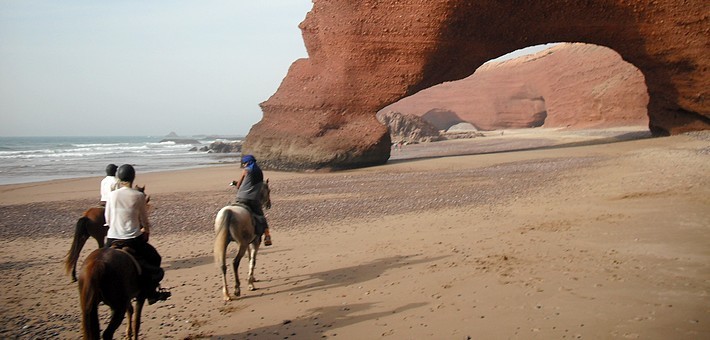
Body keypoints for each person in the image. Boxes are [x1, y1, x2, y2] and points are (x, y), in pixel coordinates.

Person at [104, 164, 171, 304]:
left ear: (119, 178)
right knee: (155, 259)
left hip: (112, 238)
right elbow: (144, 220)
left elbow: (108, 218)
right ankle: (152, 293)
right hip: (132, 239)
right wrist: (145, 231)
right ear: (133, 178)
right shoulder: (139, 196)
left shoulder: (112, 195)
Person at [234, 154, 272, 246]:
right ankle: (267, 236)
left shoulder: (245, 171)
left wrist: (236, 184)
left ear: (247, 163)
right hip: (253, 199)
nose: (243, 165)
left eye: (244, 163)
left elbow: (239, 186)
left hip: (240, 198)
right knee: (261, 216)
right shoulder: (259, 172)